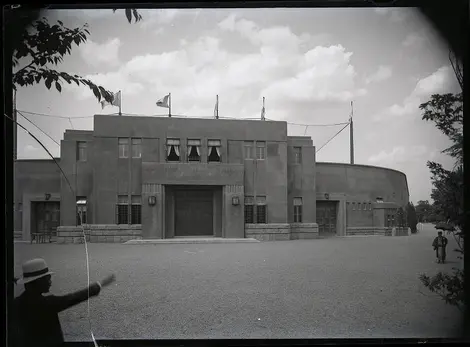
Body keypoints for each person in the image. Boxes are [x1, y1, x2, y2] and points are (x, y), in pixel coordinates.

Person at [13, 258, 116, 347]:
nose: (50, 282)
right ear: (37, 282)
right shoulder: (47, 303)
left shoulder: (16, 303)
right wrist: (100, 284)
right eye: (47, 279)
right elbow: (74, 297)